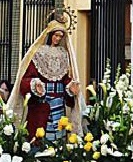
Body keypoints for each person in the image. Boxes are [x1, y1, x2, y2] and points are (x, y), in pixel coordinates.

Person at [9, 9, 82, 139]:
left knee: (59, 135)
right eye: (56, 35)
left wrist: (70, 87)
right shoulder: (37, 53)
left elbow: (65, 78)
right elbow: (25, 79)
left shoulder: (64, 54)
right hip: (42, 103)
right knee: (41, 136)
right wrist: (34, 84)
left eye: (60, 36)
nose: (58, 38)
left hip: (59, 102)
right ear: (49, 34)